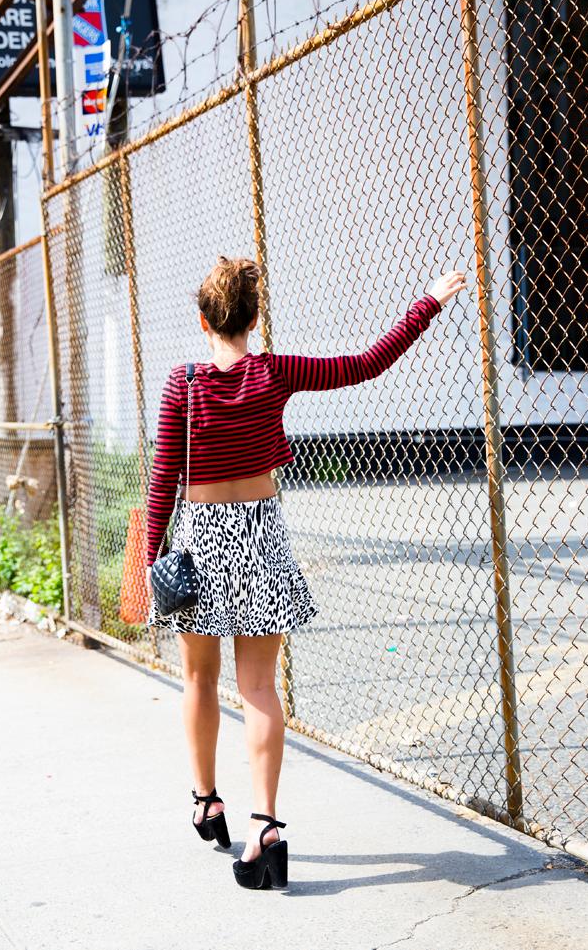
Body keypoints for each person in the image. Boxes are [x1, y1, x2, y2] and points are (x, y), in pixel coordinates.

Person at [144, 255, 466, 889]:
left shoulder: (182, 385)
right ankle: (265, 826)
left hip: (199, 544)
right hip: (261, 538)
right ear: (253, 319)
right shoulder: (277, 372)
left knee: (199, 678)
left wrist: (151, 561)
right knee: (260, 686)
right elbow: (367, 363)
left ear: (204, 320)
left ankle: (207, 800)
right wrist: (426, 303)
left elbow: (162, 482)